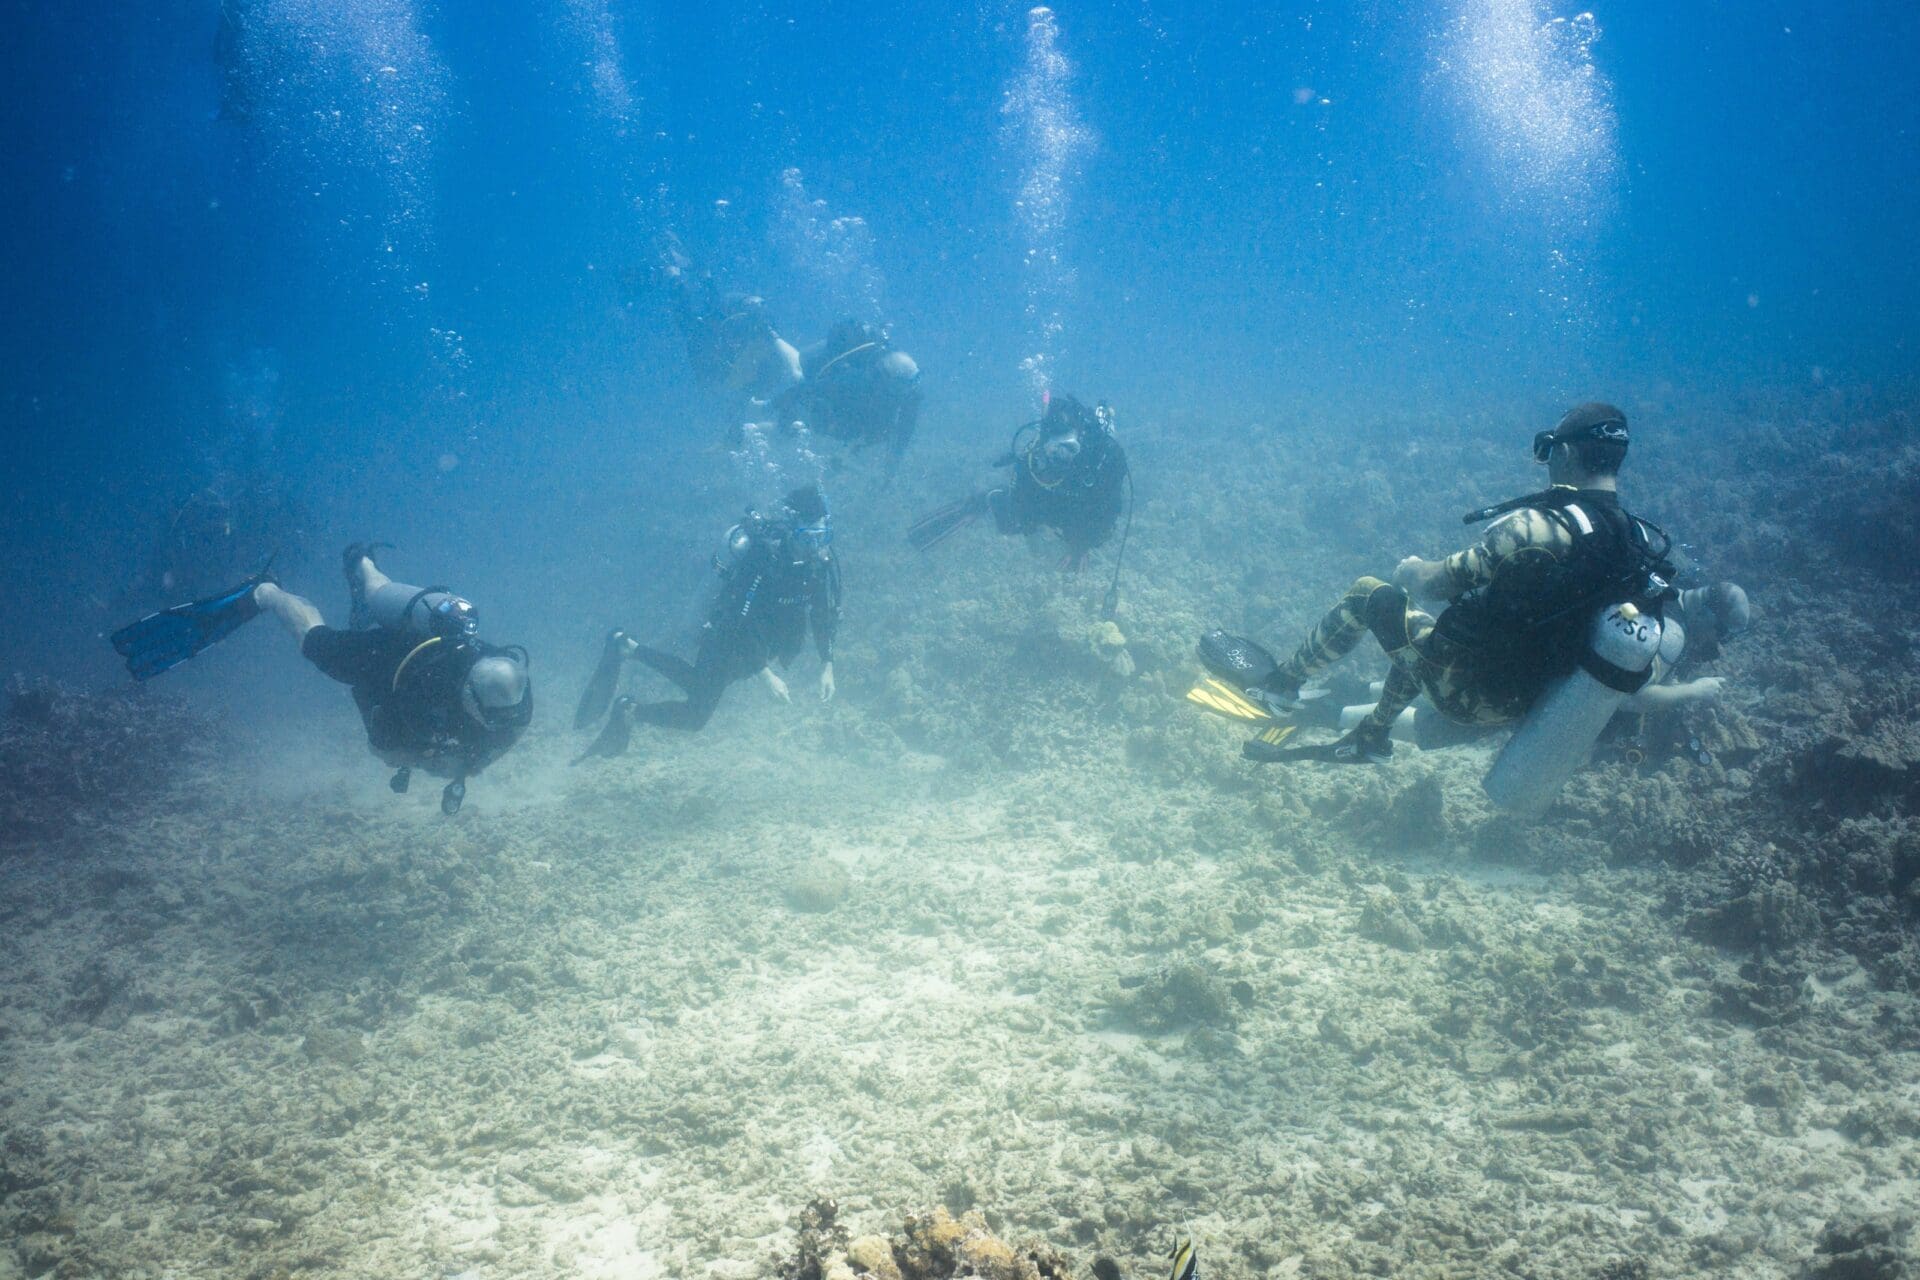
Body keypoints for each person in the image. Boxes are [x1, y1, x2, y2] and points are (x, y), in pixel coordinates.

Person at [1195, 402, 1680, 765]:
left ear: (1568, 453)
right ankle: (1372, 737)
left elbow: (1435, 584)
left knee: (1373, 594)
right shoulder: (1636, 540)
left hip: (1467, 693)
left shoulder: (1536, 528)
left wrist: (1410, 567)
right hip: (1525, 702)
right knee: (1422, 637)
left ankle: (1280, 688)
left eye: (1550, 452)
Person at [110, 545, 532, 814]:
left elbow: (495, 737)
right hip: (387, 661)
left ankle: (363, 564)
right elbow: (390, 739)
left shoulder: (512, 700)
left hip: (426, 657)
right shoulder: (431, 690)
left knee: (376, 597)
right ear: (469, 695)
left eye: (501, 719)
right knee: (314, 641)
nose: (498, 725)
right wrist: (431, 761)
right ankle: (270, 592)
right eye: (488, 718)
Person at [572, 484, 842, 761]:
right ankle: (628, 692)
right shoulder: (764, 557)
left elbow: (822, 613)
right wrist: (766, 675)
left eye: (823, 537)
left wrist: (827, 665)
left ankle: (626, 652)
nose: (816, 547)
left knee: (697, 689)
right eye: (808, 538)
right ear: (792, 531)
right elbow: (740, 618)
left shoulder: (820, 563)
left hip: (758, 648)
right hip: (727, 639)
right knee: (696, 714)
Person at [775, 318, 923, 470]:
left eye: (908, 386)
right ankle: (775, 339)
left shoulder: (909, 392)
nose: (905, 392)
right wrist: (773, 406)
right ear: (885, 381)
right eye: (898, 388)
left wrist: (893, 463)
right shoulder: (855, 381)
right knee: (798, 376)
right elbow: (804, 389)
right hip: (825, 394)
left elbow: (905, 430)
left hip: (854, 414)